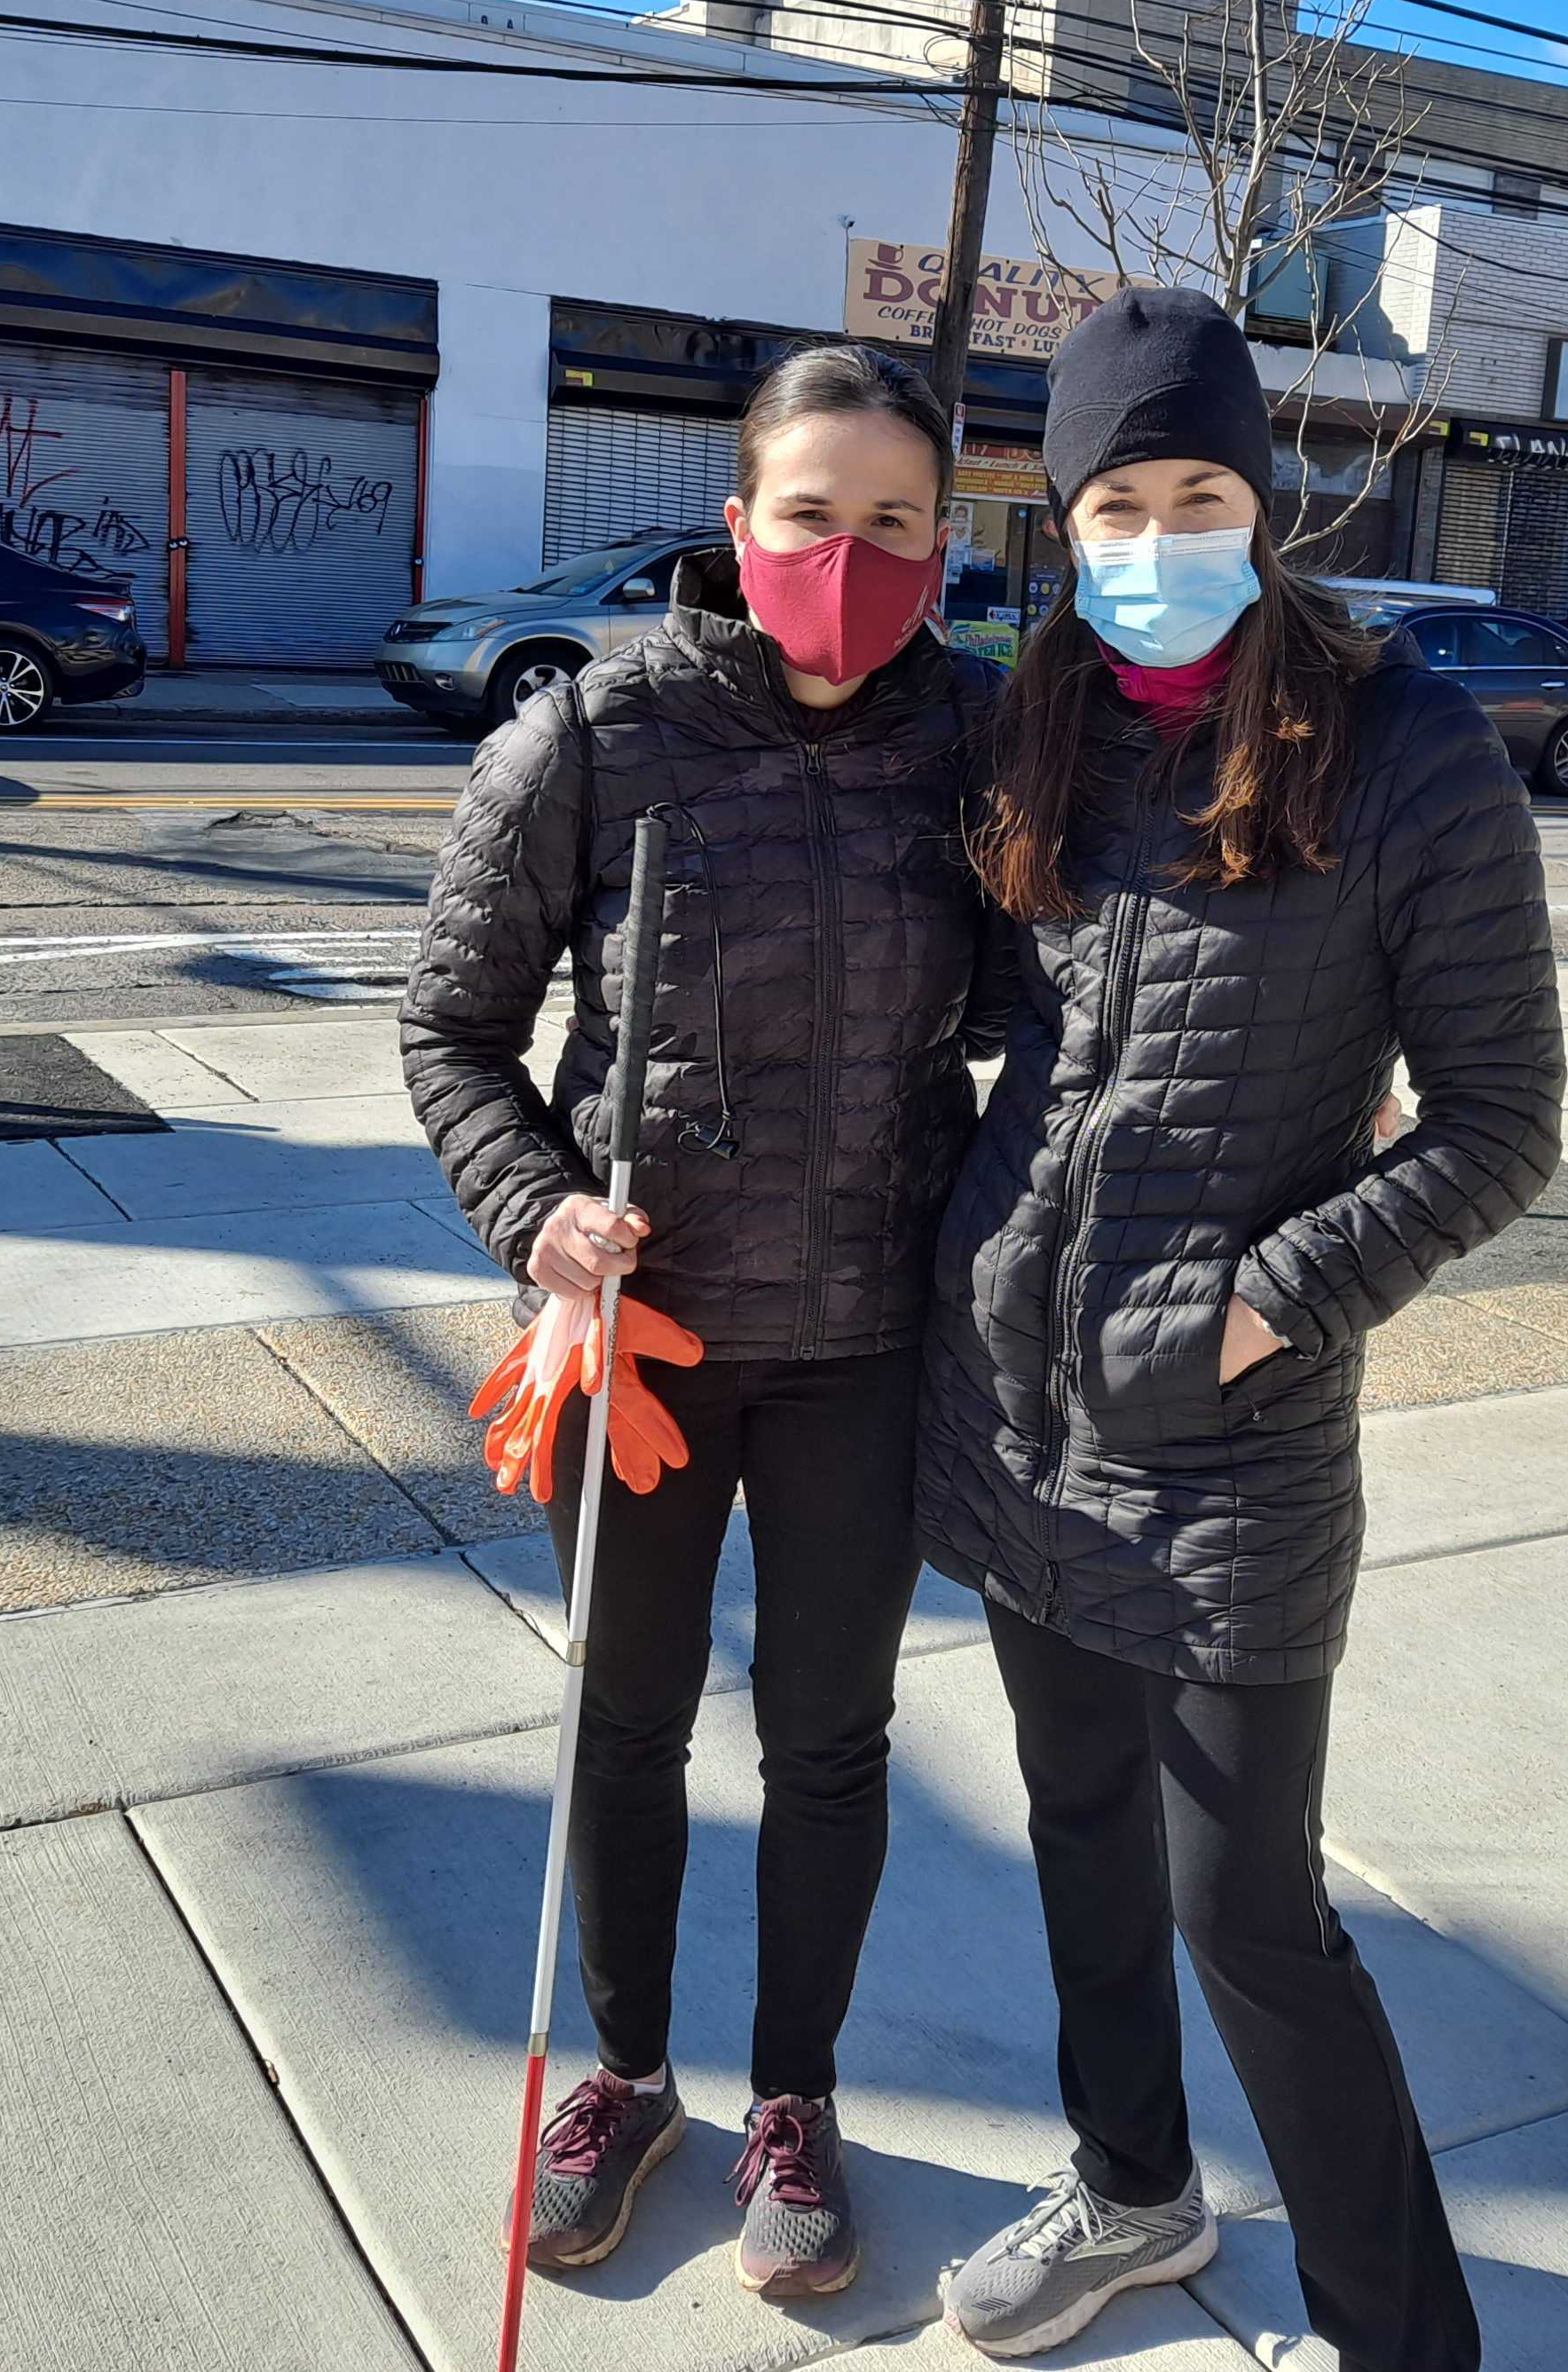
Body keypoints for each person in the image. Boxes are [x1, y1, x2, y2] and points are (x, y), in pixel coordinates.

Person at [918, 288, 1564, 2369]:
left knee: (1247, 1911)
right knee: (1079, 1828)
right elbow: (1021, 1042)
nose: (1154, 530)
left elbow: (1498, 1123)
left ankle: (1405, 2342)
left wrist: (1268, 1303)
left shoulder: (1406, 750)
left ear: (1259, 502)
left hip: (1229, 1440)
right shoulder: (1044, 719)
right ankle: (1130, 2190)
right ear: (1067, 510)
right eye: (1117, 496)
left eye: (1196, 490)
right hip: (1021, 1414)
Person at [401, 343, 997, 2305]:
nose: (850, 554)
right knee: (621, 1724)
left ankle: (794, 2102)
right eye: (812, 514)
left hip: (862, 1341)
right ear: (739, 525)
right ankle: (629, 2075)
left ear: (941, 539)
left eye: (894, 522)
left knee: (830, 1744)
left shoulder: (981, 744)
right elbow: (452, 1033)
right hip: (638, 1349)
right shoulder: (585, 737)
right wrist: (536, 1208)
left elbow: (1066, 1000)